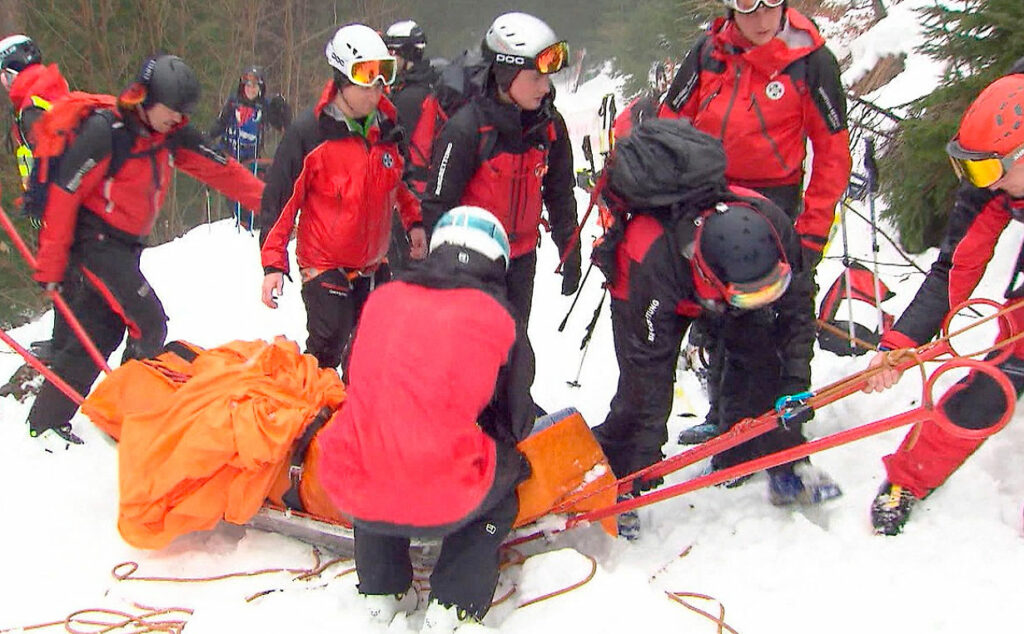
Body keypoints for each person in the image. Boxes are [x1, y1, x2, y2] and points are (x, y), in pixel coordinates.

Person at [590, 119, 840, 537]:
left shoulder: (773, 224)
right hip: (646, 290)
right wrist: (644, 457)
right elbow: (649, 371)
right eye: (753, 296)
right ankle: (623, 484)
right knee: (642, 399)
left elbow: (796, 315)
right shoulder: (653, 259)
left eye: (769, 290)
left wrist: (795, 385)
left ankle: (770, 459)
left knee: (761, 361)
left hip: (720, 285)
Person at [27, 54, 265, 447]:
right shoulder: (107, 133)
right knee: (149, 322)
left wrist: (279, 206)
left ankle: (46, 421)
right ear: (147, 99)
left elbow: (223, 170)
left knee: (101, 332)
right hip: (95, 244)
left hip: (126, 247)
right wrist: (51, 268)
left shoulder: (169, 133)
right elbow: (64, 196)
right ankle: (127, 413)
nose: (179, 121)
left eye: (184, 114)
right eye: (173, 112)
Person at [317, 206, 534, 633]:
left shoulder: (384, 299)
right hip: (440, 494)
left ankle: (382, 588)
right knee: (507, 478)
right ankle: (454, 603)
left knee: (379, 445)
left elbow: (355, 379)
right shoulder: (501, 319)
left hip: (351, 484)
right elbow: (516, 421)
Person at [659, 0, 852, 445]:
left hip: (777, 201)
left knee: (786, 313)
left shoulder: (810, 62)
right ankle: (725, 415)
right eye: (748, 8)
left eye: (771, 6)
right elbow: (670, 125)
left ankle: (786, 432)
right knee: (720, 310)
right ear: (730, 10)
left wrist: (814, 228)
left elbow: (832, 151)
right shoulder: (708, 53)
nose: (762, 21)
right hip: (714, 196)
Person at [863, 72, 1024, 536]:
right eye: (971, 169)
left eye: (988, 170)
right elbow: (952, 272)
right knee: (1003, 373)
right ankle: (907, 477)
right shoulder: (991, 181)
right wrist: (900, 344)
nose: (981, 183)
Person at [259, 24, 427, 372]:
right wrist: (273, 264)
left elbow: (400, 184)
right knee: (330, 341)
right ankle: (313, 406)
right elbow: (280, 202)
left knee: (371, 347)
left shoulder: (387, 129)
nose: (376, 87)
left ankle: (354, 411)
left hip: (372, 261)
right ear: (341, 76)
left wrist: (415, 223)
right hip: (324, 263)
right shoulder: (310, 133)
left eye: (384, 74)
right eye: (366, 76)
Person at [421, 11, 581, 326]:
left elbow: (560, 191)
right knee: (475, 357)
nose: (545, 87)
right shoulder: (467, 129)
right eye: (535, 77)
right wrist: (442, 271)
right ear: (506, 76)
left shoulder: (549, 125)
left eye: (547, 77)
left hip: (521, 259)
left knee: (514, 355)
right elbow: (437, 204)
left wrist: (569, 246)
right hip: (470, 263)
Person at [383, 19, 434, 272]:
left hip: (411, 198)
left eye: (391, 53)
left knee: (404, 273)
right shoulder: (431, 86)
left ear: (406, 54)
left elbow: (392, 147)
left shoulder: (408, 98)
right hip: (431, 195)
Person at [0, 34, 69, 190]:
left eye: (3, 73)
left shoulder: (31, 110)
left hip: (53, 205)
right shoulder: (52, 92)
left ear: (11, 74)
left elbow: (49, 169)